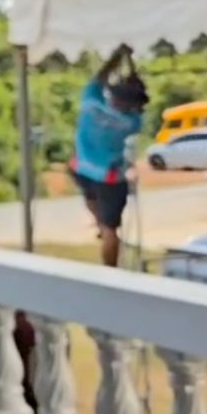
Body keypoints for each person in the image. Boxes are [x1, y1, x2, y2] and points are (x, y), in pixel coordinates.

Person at [71, 47, 147, 267]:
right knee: (110, 230)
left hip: (82, 167)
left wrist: (118, 56)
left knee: (90, 199)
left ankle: (100, 225)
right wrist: (131, 64)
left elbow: (100, 76)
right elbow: (138, 97)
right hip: (109, 176)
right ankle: (110, 265)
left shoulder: (90, 103)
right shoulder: (132, 123)